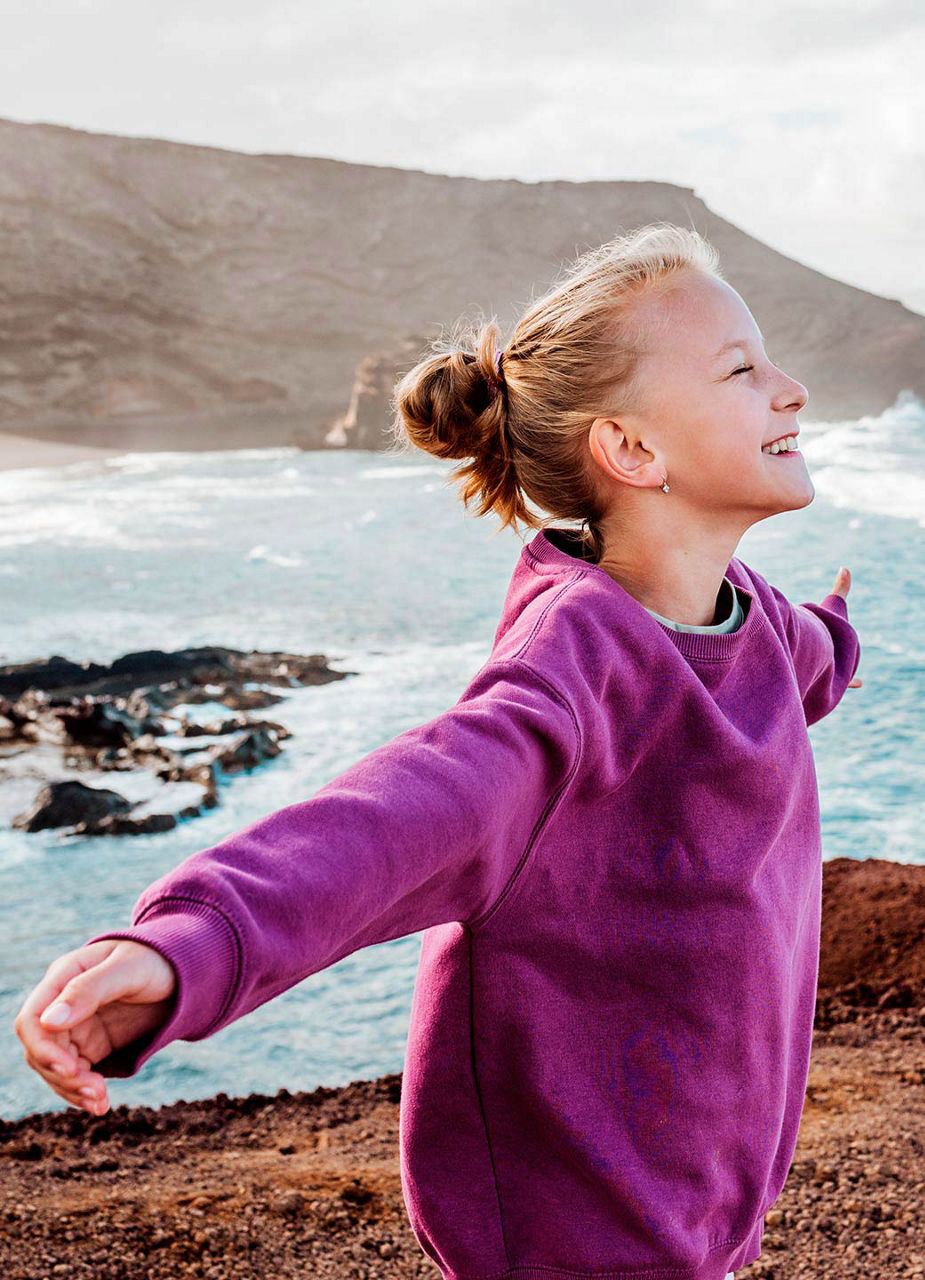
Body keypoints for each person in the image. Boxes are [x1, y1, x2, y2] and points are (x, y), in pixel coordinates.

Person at [14, 222, 862, 1280]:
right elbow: (406, 812)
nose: (791, 389)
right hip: (570, 1242)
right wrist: (191, 941)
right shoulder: (572, 673)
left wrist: (840, 628)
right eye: (742, 369)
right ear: (633, 450)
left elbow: (801, 664)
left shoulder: (758, 625)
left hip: (705, 1220)